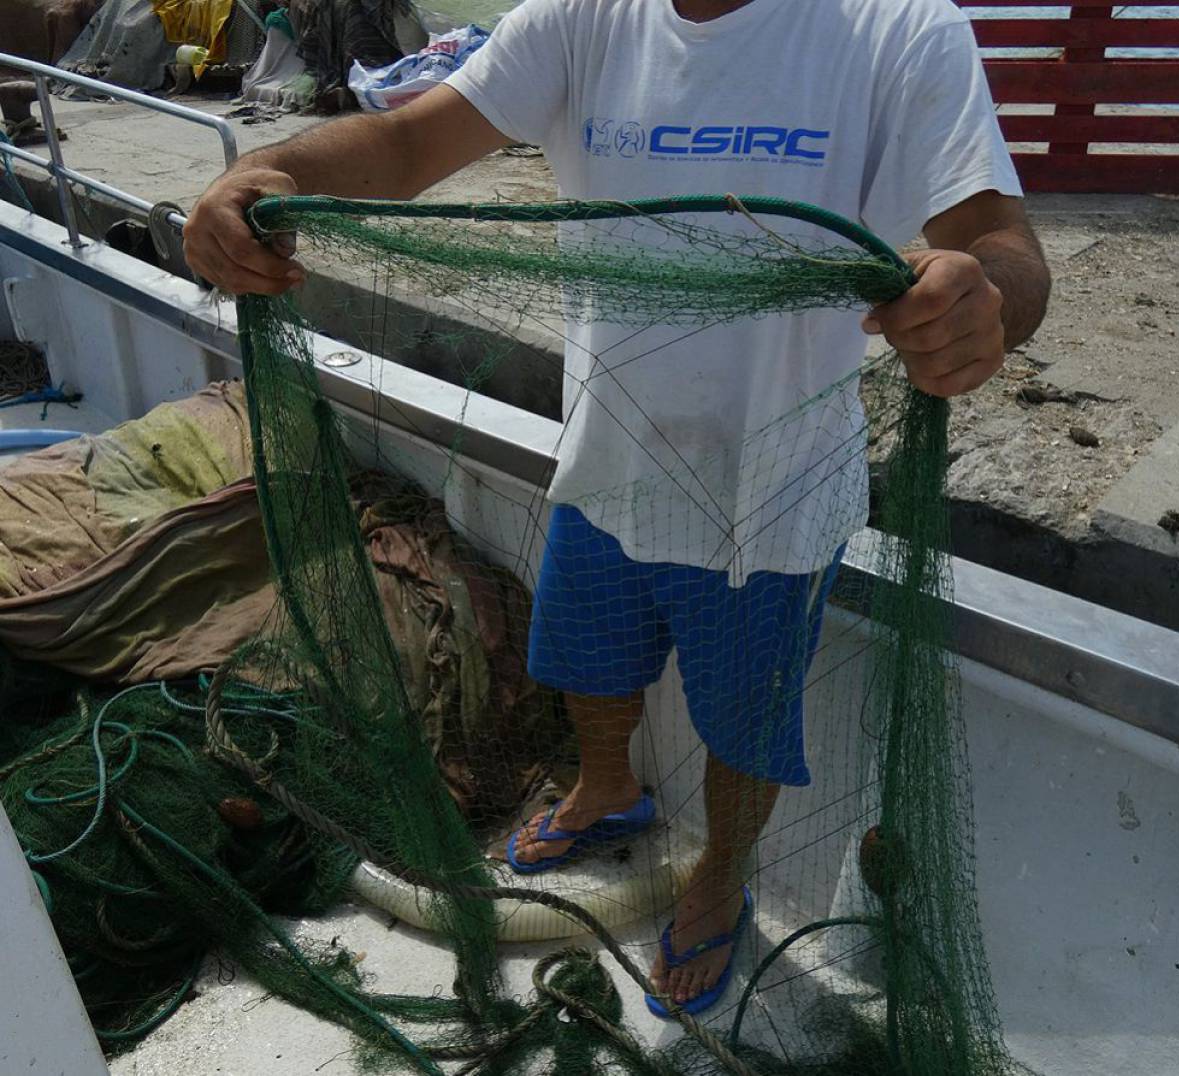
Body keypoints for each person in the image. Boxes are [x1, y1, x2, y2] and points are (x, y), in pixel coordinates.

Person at [184, 0, 1051, 1017]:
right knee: (585, 663)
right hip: (605, 455)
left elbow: (999, 239)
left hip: (769, 490)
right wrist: (272, 174)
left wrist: (980, 296)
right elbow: (410, 139)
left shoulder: (896, 27)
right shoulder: (579, 18)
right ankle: (608, 789)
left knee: (740, 722)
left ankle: (721, 871)